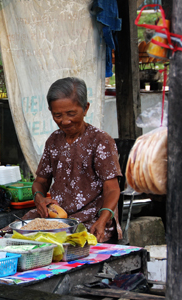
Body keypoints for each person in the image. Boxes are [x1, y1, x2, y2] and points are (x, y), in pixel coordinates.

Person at [23, 77, 122, 243]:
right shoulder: (53, 140)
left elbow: (112, 189)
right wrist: (39, 199)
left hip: (91, 220)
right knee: (16, 236)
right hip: (57, 219)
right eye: (57, 115)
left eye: (71, 114)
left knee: (61, 245)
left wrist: (103, 220)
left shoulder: (100, 141)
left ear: (85, 108)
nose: (65, 121)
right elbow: (40, 182)